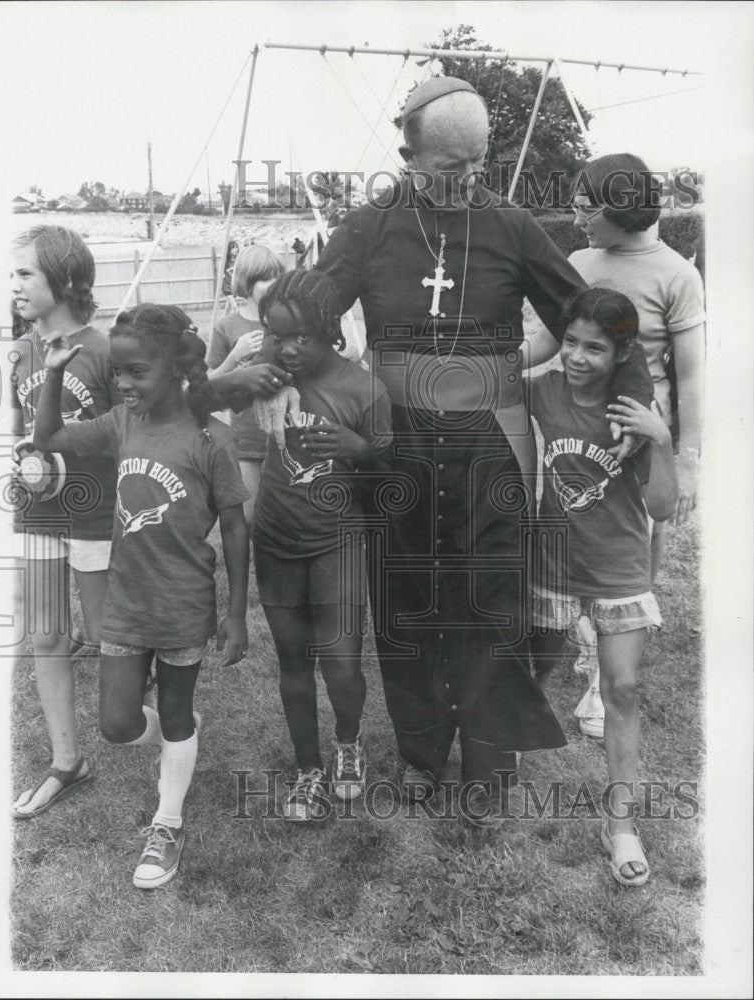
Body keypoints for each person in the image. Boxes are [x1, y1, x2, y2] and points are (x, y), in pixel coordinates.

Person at [311, 76, 654, 825]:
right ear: (406, 154)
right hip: (395, 447)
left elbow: (587, 314)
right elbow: (311, 313)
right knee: (404, 605)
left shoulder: (509, 225)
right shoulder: (367, 227)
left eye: (476, 166)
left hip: (493, 448)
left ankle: (489, 761)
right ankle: (421, 755)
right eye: (447, 169)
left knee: (490, 606)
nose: (464, 182)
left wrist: (634, 407)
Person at [33, 304, 249, 889]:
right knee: (117, 724)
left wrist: (235, 616)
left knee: (175, 711)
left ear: (176, 368)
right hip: (126, 605)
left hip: (182, 605)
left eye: (136, 372)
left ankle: (168, 821)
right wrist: (53, 373)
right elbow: (47, 437)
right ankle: (181, 734)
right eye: (118, 373)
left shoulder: (210, 441)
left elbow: (234, 527)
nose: (123, 384)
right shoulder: (121, 425)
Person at [528, 288, 678, 885]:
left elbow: (661, 506)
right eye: (570, 342)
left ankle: (620, 825)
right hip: (553, 563)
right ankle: (505, 765)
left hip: (617, 567)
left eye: (595, 348)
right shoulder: (542, 391)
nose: (577, 357)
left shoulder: (631, 415)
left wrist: (661, 438)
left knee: (623, 689)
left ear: (621, 355)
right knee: (533, 671)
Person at [564, 153, 705, 737]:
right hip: (575, 435)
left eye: (583, 207)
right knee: (573, 543)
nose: (576, 218)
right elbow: (555, 341)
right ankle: (584, 636)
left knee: (633, 558)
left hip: (640, 443)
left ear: (614, 210)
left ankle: (604, 678)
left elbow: (693, 373)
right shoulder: (577, 260)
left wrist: (687, 457)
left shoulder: (676, 273)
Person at [252, 270, 393, 820]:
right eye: (274, 335)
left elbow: (393, 474)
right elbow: (196, 397)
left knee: (339, 662)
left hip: (337, 540)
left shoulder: (364, 388)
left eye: (299, 337)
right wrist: (240, 373)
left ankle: (348, 742)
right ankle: (308, 769)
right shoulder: (263, 378)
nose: (286, 349)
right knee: (293, 661)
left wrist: (358, 447)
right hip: (276, 537)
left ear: (329, 330)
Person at [9, 226, 117, 820]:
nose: (15, 286)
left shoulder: (103, 351)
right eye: (13, 275)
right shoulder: (21, 349)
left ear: (66, 279)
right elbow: (19, 429)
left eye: (26, 274)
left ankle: (162, 716)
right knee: (46, 634)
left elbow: (128, 439)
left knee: (107, 639)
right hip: (38, 513)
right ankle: (66, 760)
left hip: (95, 515)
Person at [207, 245, 285, 522]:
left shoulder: (288, 323)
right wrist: (234, 357)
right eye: (265, 278)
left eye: (278, 276)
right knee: (249, 518)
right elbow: (206, 386)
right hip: (248, 442)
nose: (274, 284)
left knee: (287, 517)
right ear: (247, 283)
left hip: (288, 438)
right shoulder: (227, 327)